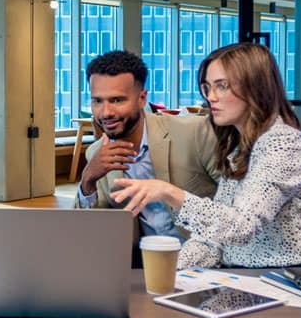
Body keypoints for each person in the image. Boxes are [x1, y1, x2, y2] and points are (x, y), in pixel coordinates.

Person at [111, 42, 301, 269]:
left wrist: (169, 192)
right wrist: (166, 273)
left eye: (222, 86)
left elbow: (242, 226)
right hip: (248, 283)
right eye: (208, 87)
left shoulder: (285, 144)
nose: (211, 97)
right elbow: (213, 240)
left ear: (256, 87)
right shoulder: (239, 150)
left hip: (292, 284)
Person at [74, 50, 223, 253]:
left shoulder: (194, 132)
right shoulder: (96, 154)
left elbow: (238, 207)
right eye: (97, 101)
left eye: (117, 100)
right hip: (147, 264)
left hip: (212, 260)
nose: (106, 112)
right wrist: (87, 181)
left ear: (142, 98)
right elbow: (91, 232)